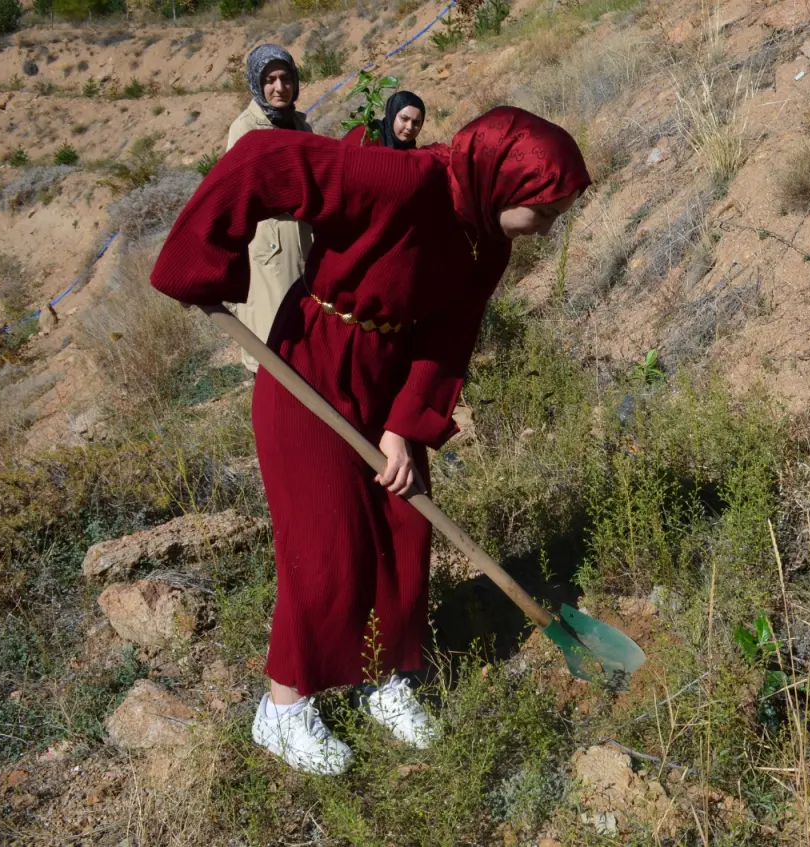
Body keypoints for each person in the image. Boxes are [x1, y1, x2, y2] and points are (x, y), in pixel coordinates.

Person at [150, 107, 589, 775]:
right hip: (312, 363)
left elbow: (449, 337)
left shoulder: (487, 241)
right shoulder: (400, 180)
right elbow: (263, 159)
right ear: (503, 181)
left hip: (389, 380)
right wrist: (203, 265)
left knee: (402, 527)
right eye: (545, 212)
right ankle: (283, 708)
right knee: (325, 539)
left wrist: (404, 428)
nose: (548, 229)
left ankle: (382, 675)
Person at [225, 44, 314, 373]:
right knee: (271, 337)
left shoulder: (301, 125)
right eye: (270, 80)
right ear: (256, 82)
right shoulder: (246, 129)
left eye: (286, 78)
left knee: (304, 334)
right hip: (269, 245)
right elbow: (241, 191)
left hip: (304, 238)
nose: (280, 87)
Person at [342, 89, 426, 149]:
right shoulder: (366, 135)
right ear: (392, 115)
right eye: (404, 119)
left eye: (416, 123)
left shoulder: (413, 155)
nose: (409, 127)